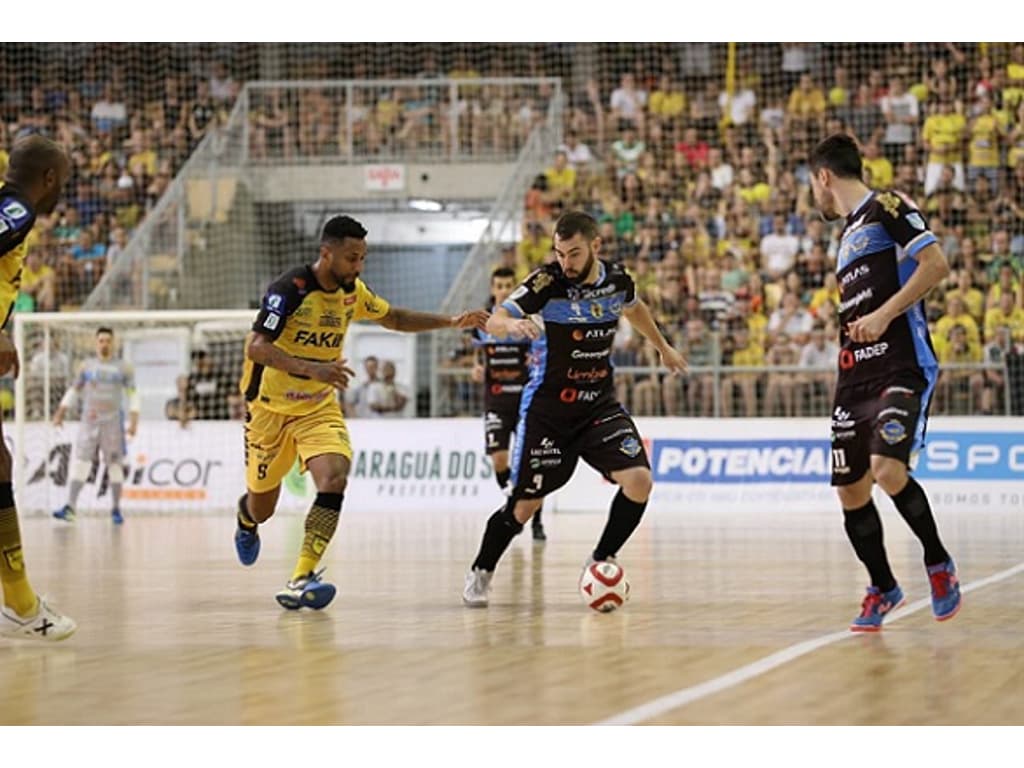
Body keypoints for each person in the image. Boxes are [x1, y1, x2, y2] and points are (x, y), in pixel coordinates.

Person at [235, 214, 487, 610]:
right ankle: (246, 518)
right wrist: (315, 368)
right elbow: (256, 347)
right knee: (261, 508)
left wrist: (451, 321)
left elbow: (396, 318)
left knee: (334, 477)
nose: (358, 267)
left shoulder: (353, 294)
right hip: (269, 410)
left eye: (363, 259)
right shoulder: (291, 289)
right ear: (327, 253)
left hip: (317, 408)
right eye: (352, 258)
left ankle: (302, 574)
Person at [462, 211, 687, 607]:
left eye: (574, 253)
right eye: (560, 252)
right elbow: (494, 318)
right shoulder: (546, 283)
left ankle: (602, 558)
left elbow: (635, 308)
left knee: (639, 481)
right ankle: (482, 570)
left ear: (596, 247)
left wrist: (662, 346)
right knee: (524, 506)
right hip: (548, 412)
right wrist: (511, 327)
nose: (566, 262)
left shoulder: (617, 279)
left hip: (598, 404)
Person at [808, 133, 961, 632]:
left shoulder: (887, 207)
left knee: (886, 469)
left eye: (813, 184)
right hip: (854, 376)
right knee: (850, 492)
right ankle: (883, 586)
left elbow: (936, 264)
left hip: (899, 364)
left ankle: (938, 564)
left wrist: (883, 314)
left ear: (824, 177)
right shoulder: (847, 234)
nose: (815, 195)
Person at [0, 134, 76, 641]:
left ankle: (21, 602)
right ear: (48, 178)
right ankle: (21, 605)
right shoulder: (17, 208)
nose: (61, 194)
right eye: (62, 183)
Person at [471, 267, 546, 542]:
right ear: (493, 289)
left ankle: (536, 519)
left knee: (533, 463)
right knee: (499, 458)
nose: (503, 289)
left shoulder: (526, 321)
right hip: (496, 400)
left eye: (508, 285)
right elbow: (477, 356)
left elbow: (541, 351)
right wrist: (475, 368)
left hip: (526, 400)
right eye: (499, 285)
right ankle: (513, 504)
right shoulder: (484, 323)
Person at [52, 327, 139, 525]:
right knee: (82, 462)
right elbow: (74, 390)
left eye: (108, 340)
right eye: (101, 340)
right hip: (89, 421)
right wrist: (61, 412)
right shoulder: (86, 366)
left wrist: (134, 420)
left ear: (113, 343)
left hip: (113, 423)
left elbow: (133, 395)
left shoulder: (123, 368)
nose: (104, 344)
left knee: (114, 465)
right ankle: (71, 507)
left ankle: (116, 509)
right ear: (96, 343)